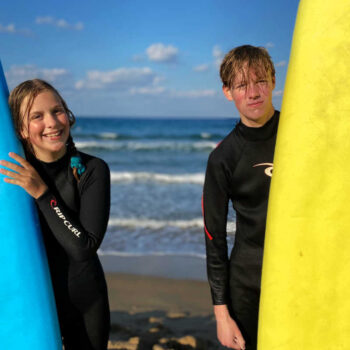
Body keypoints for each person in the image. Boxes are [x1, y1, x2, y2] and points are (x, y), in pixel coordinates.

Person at [0, 79, 110, 350]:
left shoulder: (92, 170)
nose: (52, 122)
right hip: (31, 301)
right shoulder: (13, 177)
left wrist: (42, 194)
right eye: (37, 116)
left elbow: (84, 247)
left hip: (84, 303)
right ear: (21, 129)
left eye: (57, 110)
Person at [202, 45, 279, 350]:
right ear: (227, 92)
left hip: (303, 272)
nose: (253, 93)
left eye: (260, 81)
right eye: (242, 85)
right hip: (249, 283)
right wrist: (222, 314)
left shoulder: (301, 134)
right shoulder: (224, 158)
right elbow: (214, 237)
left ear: (273, 81)